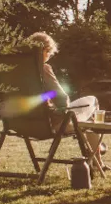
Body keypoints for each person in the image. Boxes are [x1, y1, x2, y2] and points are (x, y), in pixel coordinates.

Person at [26, 32, 106, 171]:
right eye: (49, 52)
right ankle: (97, 158)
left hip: (24, 124)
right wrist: (64, 109)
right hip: (52, 124)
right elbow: (62, 97)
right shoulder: (43, 68)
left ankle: (96, 152)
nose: (50, 55)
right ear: (44, 50)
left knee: (87, 120)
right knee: (92, 101)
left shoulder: (18, 71)